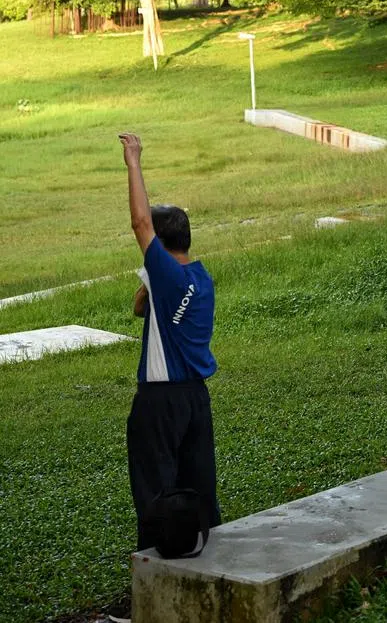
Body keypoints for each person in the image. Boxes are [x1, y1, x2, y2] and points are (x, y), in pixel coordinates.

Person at [118, 133, 221, 553]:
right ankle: (208, 556)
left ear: (158, 246)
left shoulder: (169, 278)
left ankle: (155, 568)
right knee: (198, 485)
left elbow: (140, 223)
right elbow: (140, 308)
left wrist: (134, 161)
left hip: (160, 403)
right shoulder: (200, 279)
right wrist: (150, 277)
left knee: (154, 491)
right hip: (196, 399)